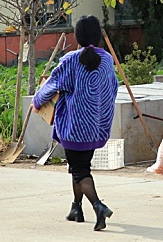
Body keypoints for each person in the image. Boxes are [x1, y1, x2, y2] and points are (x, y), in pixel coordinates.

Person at [32, 15, 119, 231]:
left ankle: (98, 206)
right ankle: (76, 208)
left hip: (74, 127)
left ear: (77, 36)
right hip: (97, 125)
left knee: (80, 172)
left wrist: (36, 102)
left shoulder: (71, 60)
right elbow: (114, 88)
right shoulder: (107, 59)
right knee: (80, 167)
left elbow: (51, 86)